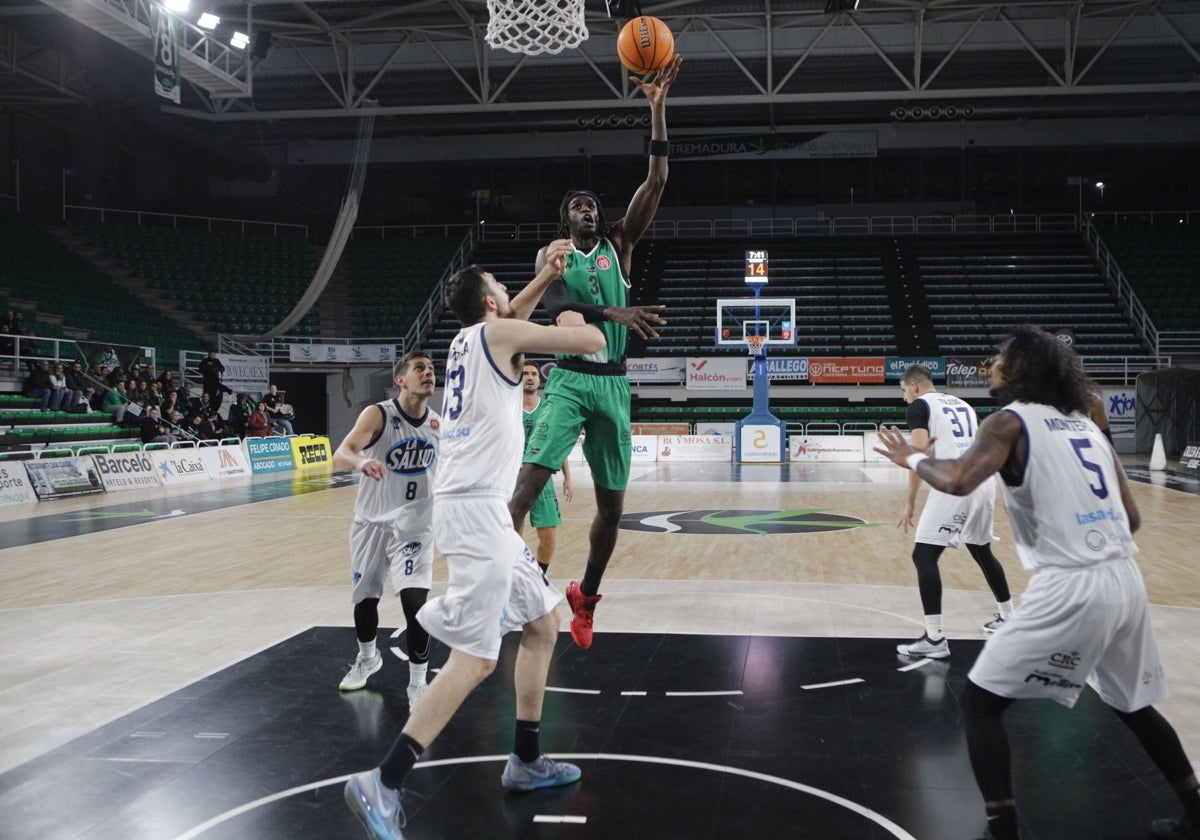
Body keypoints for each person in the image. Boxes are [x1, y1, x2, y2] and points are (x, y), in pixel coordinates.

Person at [874, 325, 1200, 840]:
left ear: (1021, 368)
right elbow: (1132, 518)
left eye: (1002, 354)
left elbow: (958, 478)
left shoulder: (1009, 421)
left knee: (980, 703)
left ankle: (1002, 829)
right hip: (1126, 578)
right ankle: (1195, 811)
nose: (994, 361)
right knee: (1134, 707)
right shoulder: (1087, 424)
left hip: (1070, 583)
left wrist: (909, 457)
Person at [343, 240, 604, 840]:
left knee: (542, 625)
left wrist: (542, 276)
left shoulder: (467, 339)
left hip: (478, 507)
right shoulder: (499, 335)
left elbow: (509, 321)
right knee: (478, 658)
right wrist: (570, 310)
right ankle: (382, 781)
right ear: (491, 300)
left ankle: (527, 760)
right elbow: (589, 344)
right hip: (475, 512)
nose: (513, 294)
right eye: (503, 287)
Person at [507, 55, 681, 651]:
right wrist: (615, 313)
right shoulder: (555, 255)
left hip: (613, 383)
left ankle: (586, 594)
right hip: (567, 379)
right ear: (565, 220)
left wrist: (656, 110)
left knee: (613, 508)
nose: (588, 208)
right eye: (577, 205)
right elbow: (561, 311)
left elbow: (656, 182)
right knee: (529, 483)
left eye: (592, 204)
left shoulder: (619, 244)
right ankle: (496, 580)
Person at [332, 350, 440, 708]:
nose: (428, 373)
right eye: (419, 368)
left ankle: (418, 682)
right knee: (365, 599)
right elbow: (341, 453)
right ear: (401, 380)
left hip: (415, 528)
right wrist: (361, 460)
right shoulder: (378, 414)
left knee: (415, 602)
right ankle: (367, 657)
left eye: (431, 369)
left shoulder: (440, 425)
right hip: (372, 523)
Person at [893, 364, 1015, 659]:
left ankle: (934, 639)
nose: (905, 399)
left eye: (903, 392)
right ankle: (1009, 617)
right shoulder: (963, 404)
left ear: (914, 387)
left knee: (924, 555)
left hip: (954, 482)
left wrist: (910, 500)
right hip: (983, 482)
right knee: (981, 549)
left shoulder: (919, 406)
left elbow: (918, 456)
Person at [518, 362, 572, 574]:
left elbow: (557, 444)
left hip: (542, 477)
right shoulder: (508, 407)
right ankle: (517, 579)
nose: (529, 377)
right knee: (513, 538)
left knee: (549, 539)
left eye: (533, 374)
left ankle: (539, 579)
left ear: (540, 380)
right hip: (513, 478)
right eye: (524, 374)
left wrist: (568, 477)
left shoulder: (548, 408)